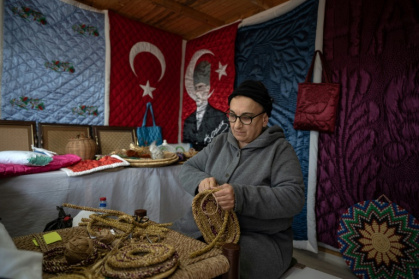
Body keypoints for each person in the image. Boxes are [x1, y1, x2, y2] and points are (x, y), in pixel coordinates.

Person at [171, 80, 305, 278]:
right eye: (232, 116)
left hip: (257, 241)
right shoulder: (220, 142)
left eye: (247, 118)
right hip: (202, 229)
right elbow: (188, 168)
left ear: (265, 119)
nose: (237, 125)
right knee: (163, 256)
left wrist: (241, 197)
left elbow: (294, 198)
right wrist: (201, 181)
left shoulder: (280, 150)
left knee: (213, 269)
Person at [183, 60, 229, 150]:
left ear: (208, 89)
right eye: (195, 88)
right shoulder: (188, 120)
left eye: (200, 87)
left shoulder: (220, 117)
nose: (197, 92)